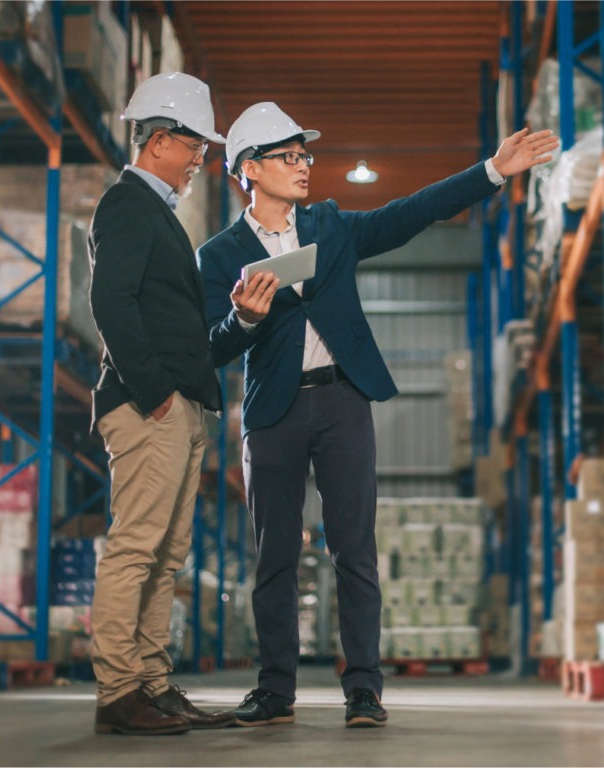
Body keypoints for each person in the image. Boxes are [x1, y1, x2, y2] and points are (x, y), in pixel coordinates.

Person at [198, 101, 559, 729]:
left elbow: (408, 214)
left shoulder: (331, 226)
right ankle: (275, 691)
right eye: (288, 157)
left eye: (304, 155)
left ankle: (363, 689)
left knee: (354, 551)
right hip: (273, 413)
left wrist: (492, 173)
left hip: (343, 400)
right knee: (275, 555)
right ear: (249, 169)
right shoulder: (218, 255)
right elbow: (209, 349)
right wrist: (244, 319)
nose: (303, 166)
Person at [88, 72, 235, 735]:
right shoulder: (127, 204)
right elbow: (110, 302)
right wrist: (153, 394)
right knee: (136, 549)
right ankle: (119, 693)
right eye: (195, 143)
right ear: (157, 141)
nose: (202, 155)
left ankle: (152, 679)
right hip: (149, 406)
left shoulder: (157, 211)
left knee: (167, 555)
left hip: (180, 407)